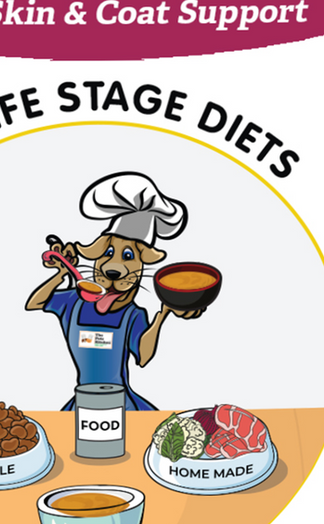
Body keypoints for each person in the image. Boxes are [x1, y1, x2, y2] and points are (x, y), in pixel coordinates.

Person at [23, 172, 208, 409]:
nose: (113, 268)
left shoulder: (133, 315)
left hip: (122, 401)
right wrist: (61, 272)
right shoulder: (73, 302)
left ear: (141, 267)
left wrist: (163, 314)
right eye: (108, 253)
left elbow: (143, 357)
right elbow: (34, 303)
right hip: (82, 399)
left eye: (128, 256)